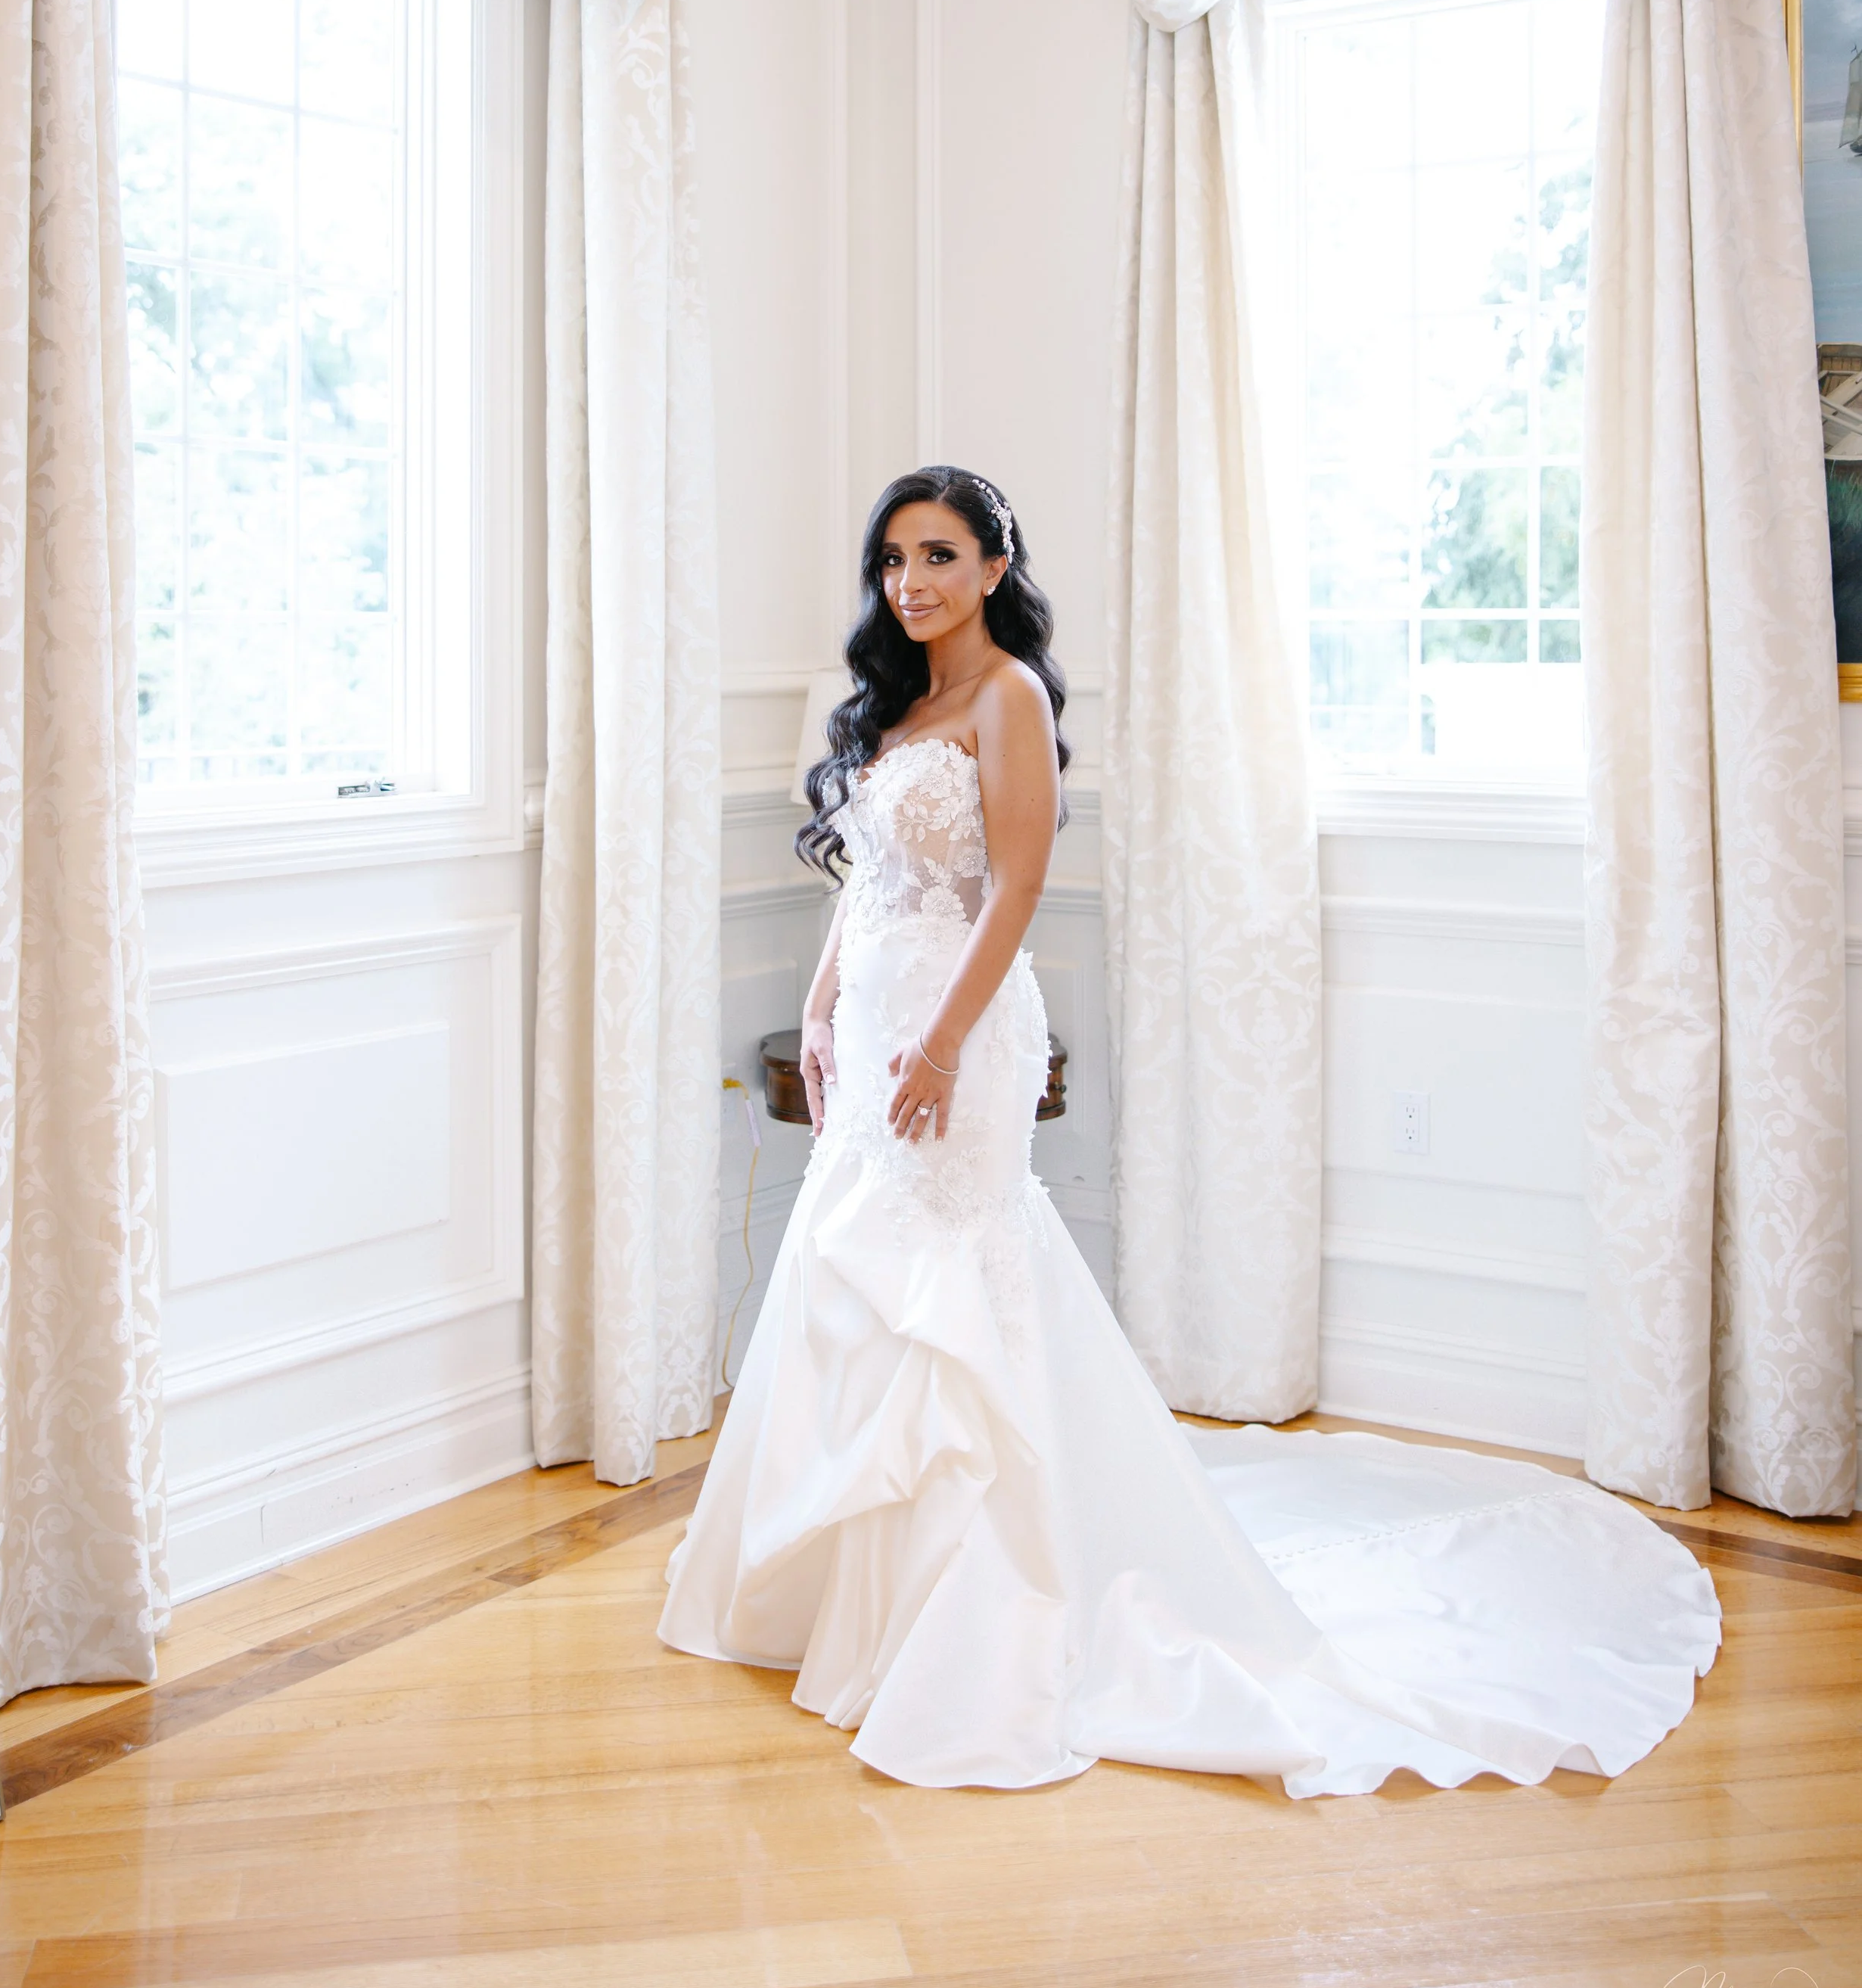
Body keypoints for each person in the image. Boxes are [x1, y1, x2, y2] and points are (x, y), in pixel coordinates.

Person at [658, 467, 1720, 1794]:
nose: (910, 582)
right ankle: (848, 1593)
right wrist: (821, 1005)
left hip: (956, 1032)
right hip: (871, 1022)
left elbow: (1022, 884)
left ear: (995, 565)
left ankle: (979, 1603)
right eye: (891, 560)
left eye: (937, 555)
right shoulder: (903, 701)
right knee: (854, 1274)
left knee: (952, 1279)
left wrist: (937, 1045)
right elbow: (872, 878)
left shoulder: (1009, 697)